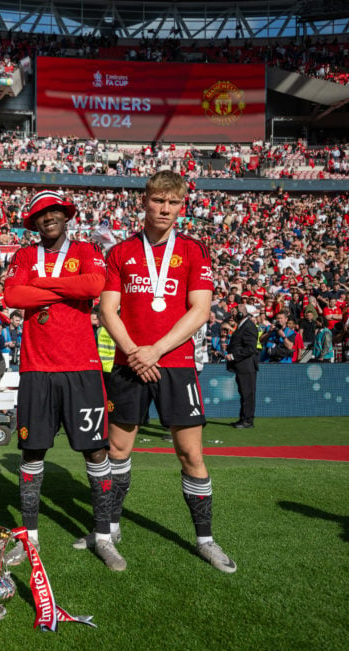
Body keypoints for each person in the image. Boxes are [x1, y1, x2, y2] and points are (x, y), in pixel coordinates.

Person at [98, 171, 236, 573]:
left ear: (182, 206)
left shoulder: (193, 250)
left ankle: (206, 540)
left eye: (173, 202)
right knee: (117, 452)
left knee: (190, 453)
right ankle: (110, 529)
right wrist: (135, 353)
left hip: (175, 365)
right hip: (128, 365)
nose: (165, 209)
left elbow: (200, 310)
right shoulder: (121, 252)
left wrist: (154, 351)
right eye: (158, 200)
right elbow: (108, 310)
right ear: (145, 201)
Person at [2, 190, 124, 571]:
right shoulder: (24, 256)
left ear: (65, 215)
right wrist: (58, 293)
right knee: (32, 452)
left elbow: (92, 287)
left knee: (96, 451)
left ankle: (104, 537)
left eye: (54, 211)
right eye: (40, 214)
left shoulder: (86, 250)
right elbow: (11, 295)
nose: (48, 218)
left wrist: (40, 291)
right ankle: (29, 539)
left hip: (81, 367)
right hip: (37, 369)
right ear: (34, 222)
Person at [226, 304, 259, 428]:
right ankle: (243, 418)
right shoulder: (243, 326)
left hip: (247, 366)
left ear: (241, 314)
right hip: (242, 367)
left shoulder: (248, 326)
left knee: (248, 394)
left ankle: (248, 421)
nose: (232, 315)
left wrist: (234, 356)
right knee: (244, 393)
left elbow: (251, 348)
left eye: (234, 312)